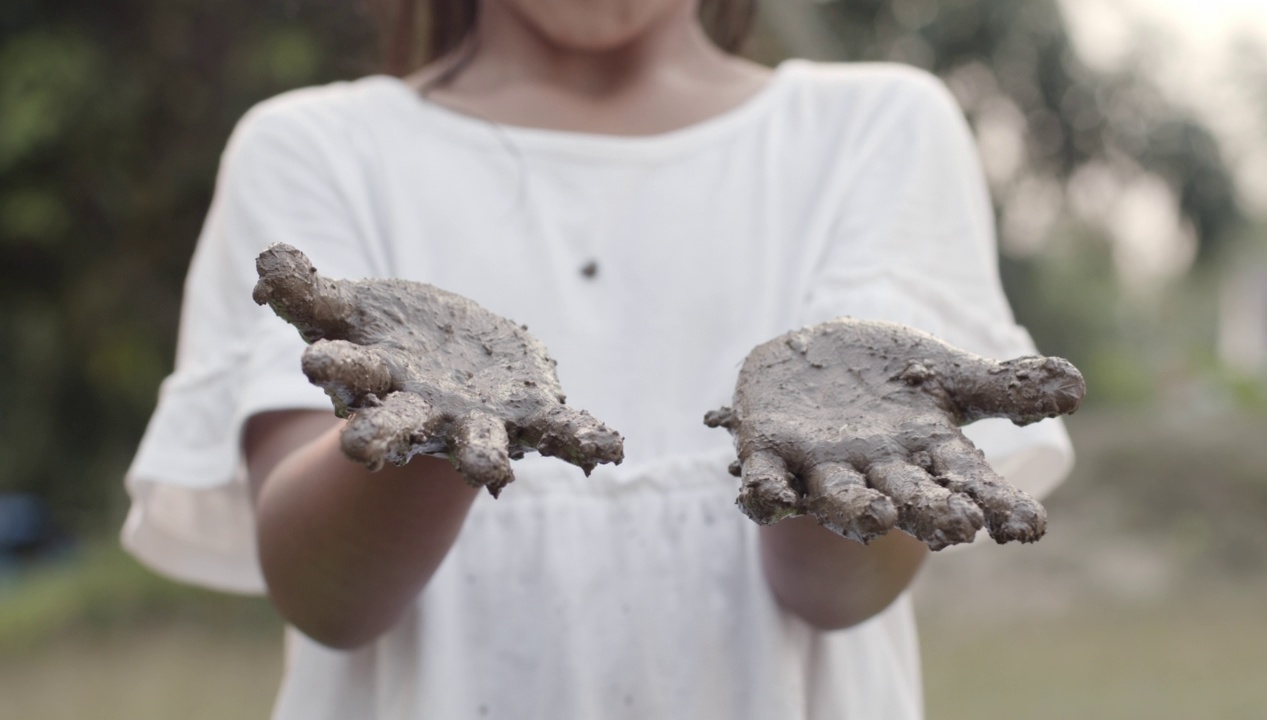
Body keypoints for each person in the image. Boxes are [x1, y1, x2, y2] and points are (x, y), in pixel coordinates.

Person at [122, 0, 1074, 717]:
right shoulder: (316, 147)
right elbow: (326, 598)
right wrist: (443, 425)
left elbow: (831, 594)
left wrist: (833, 449)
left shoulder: (876, 129)